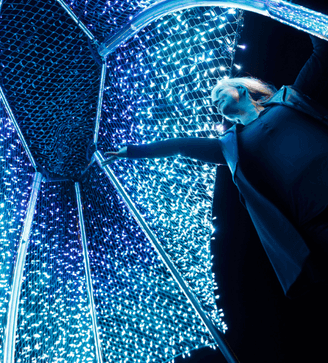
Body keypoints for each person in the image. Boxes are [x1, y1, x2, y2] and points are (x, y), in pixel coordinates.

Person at [103, 34, 328, 298]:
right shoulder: (231, 145)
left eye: (220, 93)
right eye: (213, 102)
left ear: (241, 88)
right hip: (316, 220)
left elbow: (322, 52)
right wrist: (131, 151)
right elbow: (180, 145)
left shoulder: (288, 98)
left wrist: (288, 11)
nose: (215, 102)